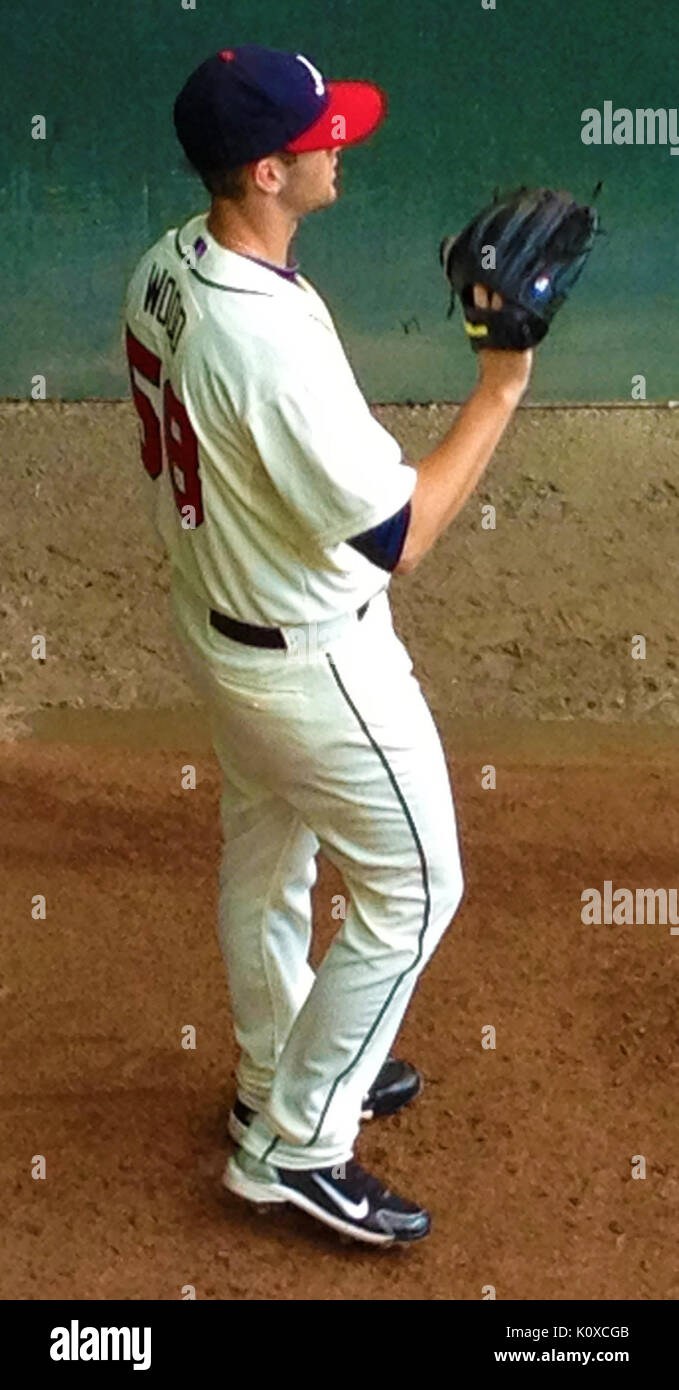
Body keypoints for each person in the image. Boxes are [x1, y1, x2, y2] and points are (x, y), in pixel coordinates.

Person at [123, 43, 533, 1247]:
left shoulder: (168, 262)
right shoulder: (270, 344)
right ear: (265, 171)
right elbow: (396, 535)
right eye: (320, 136)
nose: (338, 140)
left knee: (269, 857)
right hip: (311, 662)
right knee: (415, 888)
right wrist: (501, 382)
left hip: (219, 627)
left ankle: (272, 1068)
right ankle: (299, 1142)